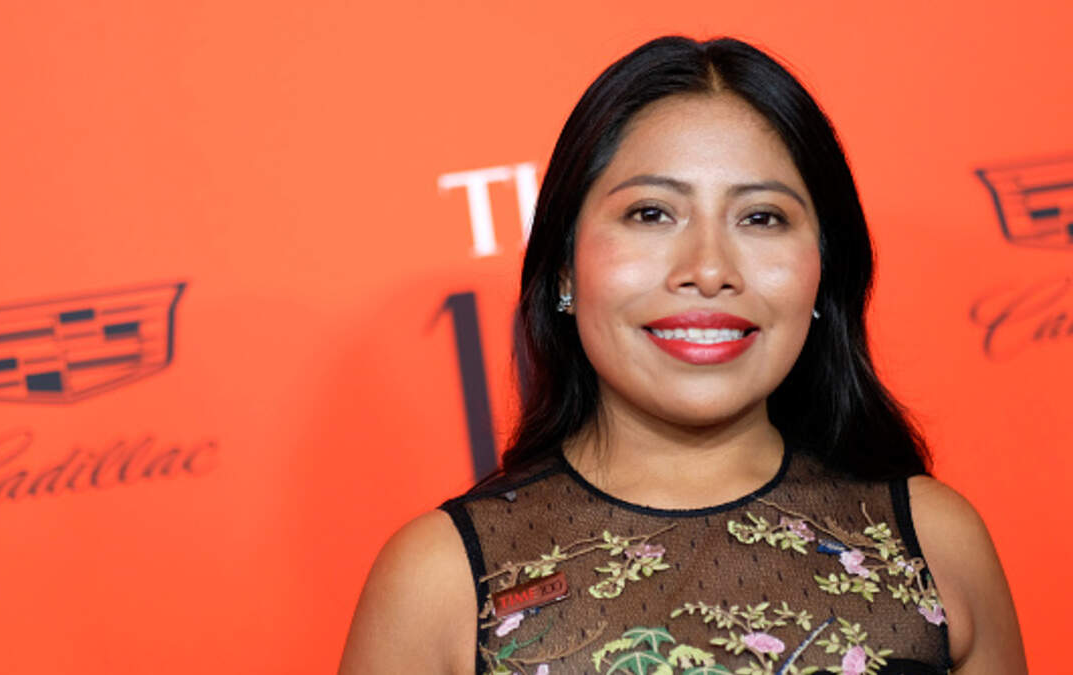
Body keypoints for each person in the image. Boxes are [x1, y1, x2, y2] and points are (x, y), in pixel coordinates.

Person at [340, 36, 1026, 674]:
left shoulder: (933, 543)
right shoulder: (443, 582)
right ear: (565, 268)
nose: (708, 269)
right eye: (651, 213)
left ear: (823, 271)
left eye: (761, 217)